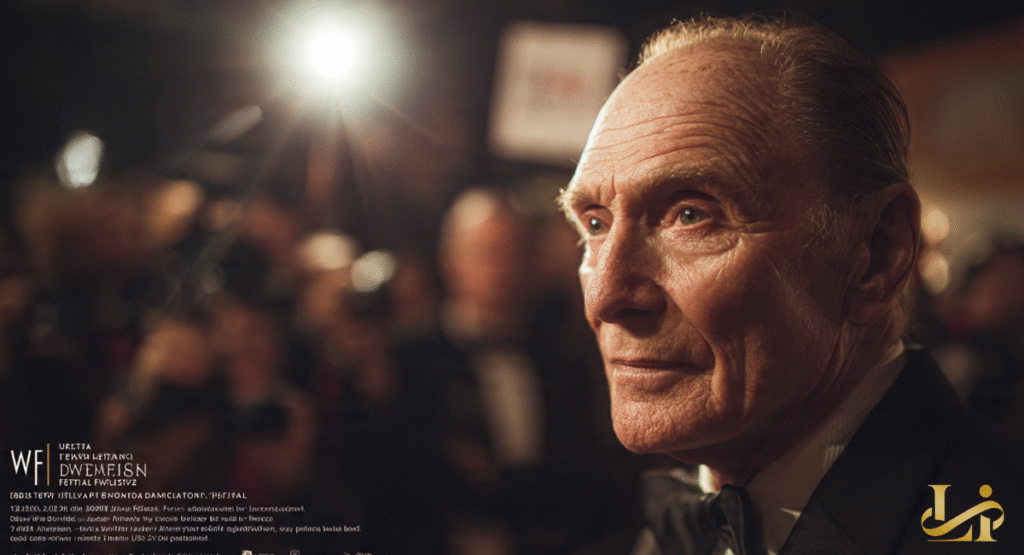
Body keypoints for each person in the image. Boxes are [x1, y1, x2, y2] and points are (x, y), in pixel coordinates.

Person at [558, 14, 1024, 555]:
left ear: (877, 252)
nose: (605, 297)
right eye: (594, 223)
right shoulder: (677, 528)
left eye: (690, 215)